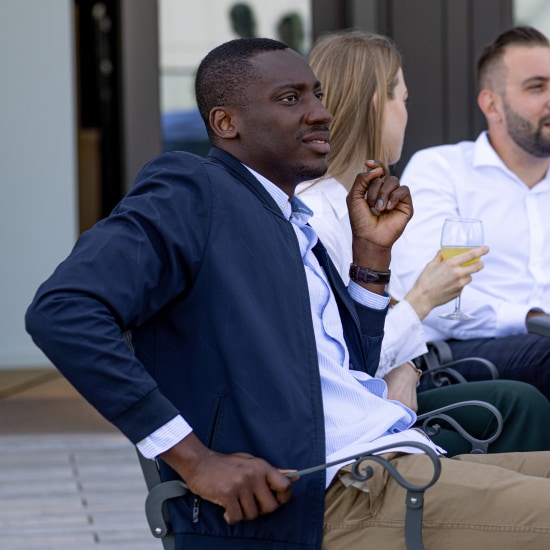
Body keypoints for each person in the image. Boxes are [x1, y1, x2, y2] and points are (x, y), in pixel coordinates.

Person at [25, 37, 550, 550]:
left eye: (317, 94)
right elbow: (62, 311)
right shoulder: (192, 190)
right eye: (290, 99)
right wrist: (194, 460)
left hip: (394, 458)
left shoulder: (292, 221)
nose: (320, 113)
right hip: (336, 494)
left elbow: (355, 369)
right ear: (226, 123)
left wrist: (371, 256)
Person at [297, 29, 550, 454]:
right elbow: (337, 354)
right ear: (379, 104)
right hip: (349, 425)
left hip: (387, 381)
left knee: (520, 402)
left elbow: (370, 324)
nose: (407, 113)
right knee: (525, 395)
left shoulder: (351, 203)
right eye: (404, 99)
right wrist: (423, 300)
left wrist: (406, 366)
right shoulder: (318, 217)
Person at [390, 25, 550, 397]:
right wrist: (531, 319)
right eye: (537, 87)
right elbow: (429, 291)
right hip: (458, 355)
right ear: (491, 104)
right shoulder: (442, 170)